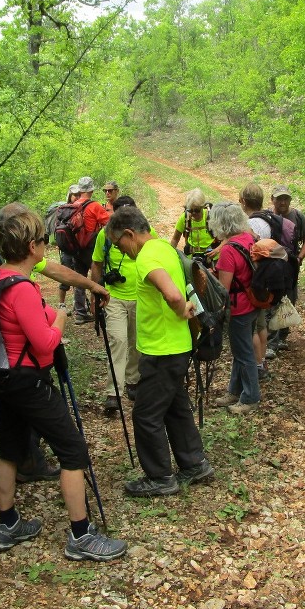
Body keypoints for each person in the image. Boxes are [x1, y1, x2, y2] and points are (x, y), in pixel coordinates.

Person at [0, 205, 127, 561]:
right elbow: (46, 346)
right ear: (32, 246)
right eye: (43, 240)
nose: (46, 246)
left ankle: (8, 523)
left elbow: (27, 318)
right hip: (29, 383)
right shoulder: (22, 289)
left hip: (2, 379)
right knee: (73, 451)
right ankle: (81, 535)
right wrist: (61, 316)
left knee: (10, 451)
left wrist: (50, 313)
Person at [0, 204, 110, 481]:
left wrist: (91, 285)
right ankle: (28, 467)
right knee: (44, 430)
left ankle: (29, 466)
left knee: (16, 427)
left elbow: (55, 270)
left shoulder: (14, 257)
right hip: (4, 364)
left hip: (11, 364)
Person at [105, 206, 214, 496]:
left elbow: (174, 294)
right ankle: (194, 464)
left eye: (119, 244)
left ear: (129, 234)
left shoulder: (146, 257)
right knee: (176, 408)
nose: (122, 251)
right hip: (177, 346)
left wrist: (181, 309)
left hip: (162, 350)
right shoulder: (164, 248)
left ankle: (160, 478)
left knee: (146, 415)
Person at [207, 201, 262, 415]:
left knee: (243, 353)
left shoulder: (229, 250)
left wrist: (211, 277)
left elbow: (224, 289)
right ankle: (235, 390)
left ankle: (250, 398)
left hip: (239, 308)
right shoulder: (247, 237)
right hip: (253, 302)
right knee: (242, 350)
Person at [90, 195, 142, 415]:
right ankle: (114, 392)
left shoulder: (146, 233)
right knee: (118, 340)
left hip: (140, 296)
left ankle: (132, 380)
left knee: (136, 341)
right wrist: (95, 292)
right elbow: (97, 263)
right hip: (114, 297)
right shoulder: (106, 235)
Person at [268, 185, 305, 351]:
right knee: (272, 300)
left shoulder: (298, 216)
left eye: (286, 198)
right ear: (272, 199)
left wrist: (300, 258)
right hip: (271, 266)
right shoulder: (267, 217)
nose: (283, 202)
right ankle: (271, 340)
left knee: (289, 299)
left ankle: (282, 336)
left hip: (291, 265)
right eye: (279, 198)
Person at [68, 176, 112, 325]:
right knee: (99, 277)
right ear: (92, 190)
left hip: (76, 248)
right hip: (91, 247)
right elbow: (109, 224)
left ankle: (80, 313)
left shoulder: (73, 205)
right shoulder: (95, 206)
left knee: (79, 278)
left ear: (80, 190)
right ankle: (101, 309)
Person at [239, 183, 274, 367]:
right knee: (261, 324)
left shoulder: (251, 224)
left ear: (244, 201)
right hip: (266, 277)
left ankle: (256, 364)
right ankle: (260, 362)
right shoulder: (269, 218)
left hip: (254, 280)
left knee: (253, 326)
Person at [169, 188, 217, 258]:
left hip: (212, 255)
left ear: (203, 206)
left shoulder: (212, 216)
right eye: (190, 210)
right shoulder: (185, 218)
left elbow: (228, 236)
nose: (194, 213)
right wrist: (170, 255)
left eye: (197, 210)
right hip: (192, 256)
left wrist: (217, 250)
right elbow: (175, 239)